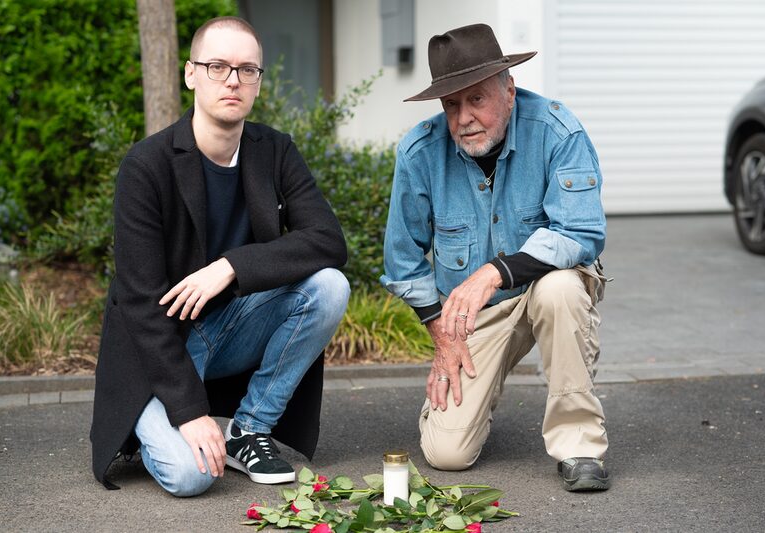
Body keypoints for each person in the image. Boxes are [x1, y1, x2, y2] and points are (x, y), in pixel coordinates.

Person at [90, 16, 350, 496]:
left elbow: (328, 241)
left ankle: (248, 429)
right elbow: (142, 307)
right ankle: (155, 423)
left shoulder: (273, 150)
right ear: (190, 74)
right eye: (217, 66)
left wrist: (230, 267)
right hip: (161, 346)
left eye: (247, 69)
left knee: (329, 285)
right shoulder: (146, 167)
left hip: (229, 329)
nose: (233, 80)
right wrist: (189, 413)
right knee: (190, 477)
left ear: (257, 82)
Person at [381, 23, 610, 491]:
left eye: (476, 99)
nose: (464, 117)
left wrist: (496, 271)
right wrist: (441, 333)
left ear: (508, 90)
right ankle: (480, 395)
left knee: (561, 287)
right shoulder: (419, 152)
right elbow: (402, 260)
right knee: (447, 456)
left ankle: (579, 445)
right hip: (473, 319)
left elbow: (582, 231)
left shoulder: (557, 130)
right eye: (451, 105)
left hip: (543, 293)